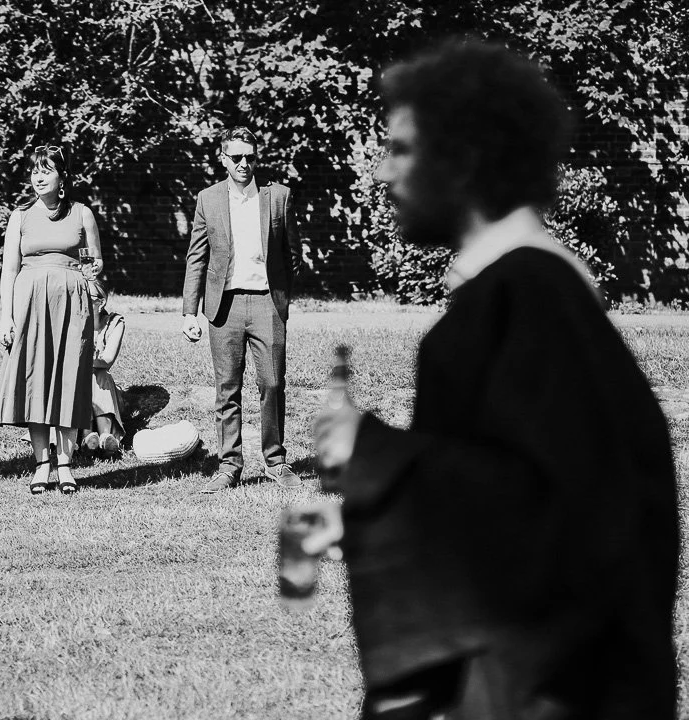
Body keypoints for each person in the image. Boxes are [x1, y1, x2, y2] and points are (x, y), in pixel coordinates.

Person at [308, 41, 678, 719]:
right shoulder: (523, 293)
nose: (382, 174)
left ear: (465, 158)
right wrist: (363, 510)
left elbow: (564, 518)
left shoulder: (527, 297)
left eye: (402, 150)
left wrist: (372, 455)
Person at [181, 126, 303, 494]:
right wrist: (190, 311)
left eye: (250, 156)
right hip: (225, 305)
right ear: (223, 160)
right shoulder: (209, 199)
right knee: (226, 389)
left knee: (272, 382)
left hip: (267, 303)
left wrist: (281, 295)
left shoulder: (278, 197)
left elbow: (293, 255)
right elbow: (196, 257)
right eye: (236, 158)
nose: (244, 164)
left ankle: (275, 461)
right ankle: (229, 465)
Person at [0, 145, 102, 495]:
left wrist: (95, 315)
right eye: (35, 170)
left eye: (47, 170)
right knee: (35, 381)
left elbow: (93, 264)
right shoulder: (20, 216)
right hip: (29, 306)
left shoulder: (81, 214)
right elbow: (9, 271)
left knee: (68, 380)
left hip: (72, 306)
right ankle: (41, 464)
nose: (38, 176)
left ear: (62, 177)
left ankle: (66, 465)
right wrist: (5, 318)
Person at [81, 278, 126, 456]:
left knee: (100, 375)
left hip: (102, 386)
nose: (81, 303)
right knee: (83, 376)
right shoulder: (72, 323)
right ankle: (87, 436)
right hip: (76, 387)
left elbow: (107, 360)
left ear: (101, 302)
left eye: (87, 298)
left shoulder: (115, 323)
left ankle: (104, 438)